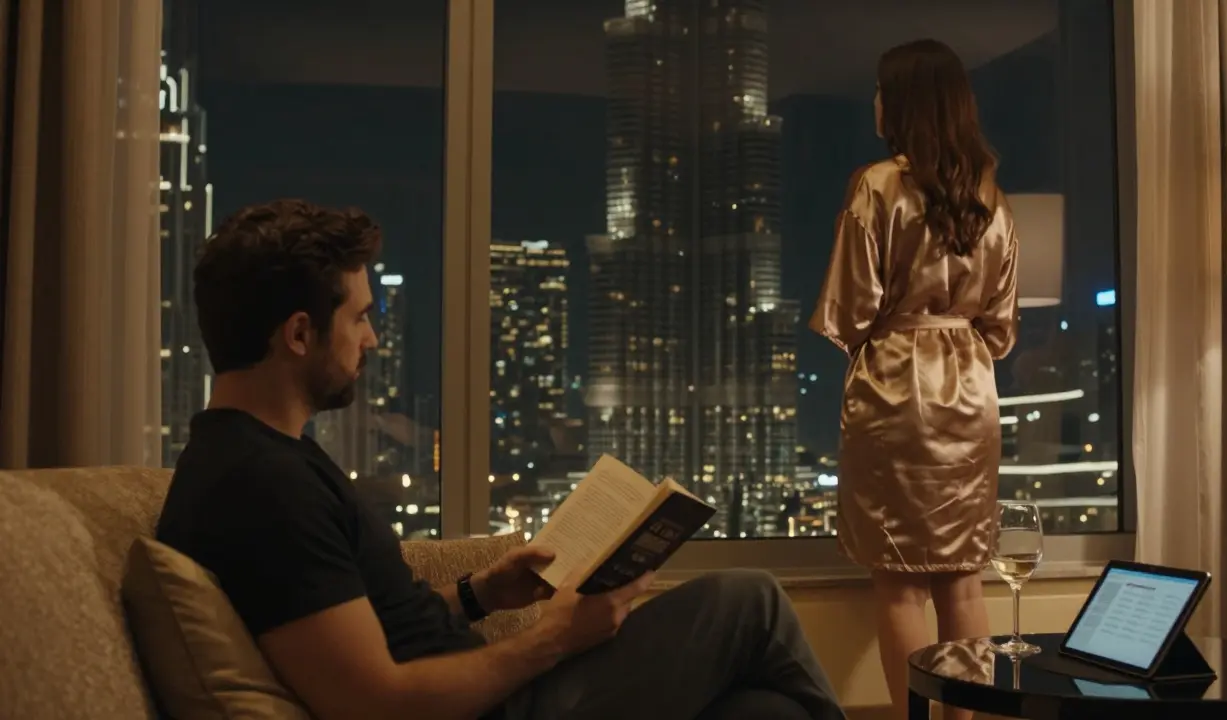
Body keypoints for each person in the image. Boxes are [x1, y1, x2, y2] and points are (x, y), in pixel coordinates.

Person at [156, 199, 845, 720]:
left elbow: (373, 629)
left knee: (766, 713)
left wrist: (480, 594)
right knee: (748, 597)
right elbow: (379, 702)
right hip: (496, 710)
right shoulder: (260, 486)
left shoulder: (264, 456)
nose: (371, 338)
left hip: (491, 692)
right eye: (361, 316)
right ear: (300, 334)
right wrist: (553, 639)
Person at [808, 39, 1018, 720]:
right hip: (970, 390)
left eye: (879, 89)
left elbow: (851, 309)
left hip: (897, 386)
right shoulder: (992, 197)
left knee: (900, 585)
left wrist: (896, 345)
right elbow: (1001, 327)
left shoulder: (879, 185)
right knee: (963, 578)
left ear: (901, 103)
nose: (872, 101)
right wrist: (958, 344)